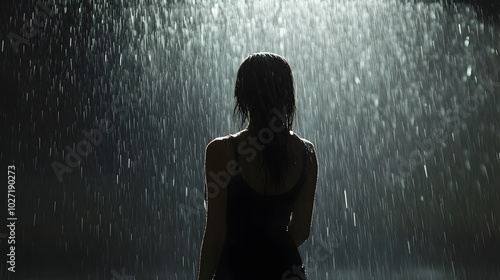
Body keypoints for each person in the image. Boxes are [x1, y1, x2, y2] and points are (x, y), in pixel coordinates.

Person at [197, 52, 318, 280]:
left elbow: (216, 232)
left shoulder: (222, 152)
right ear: (287, 96)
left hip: (235, 271)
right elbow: (301, 230)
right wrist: (271, 254)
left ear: (244, 96)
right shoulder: (306, 154)